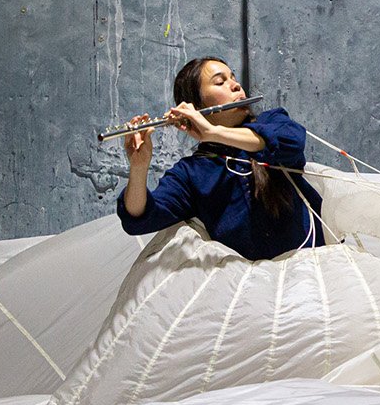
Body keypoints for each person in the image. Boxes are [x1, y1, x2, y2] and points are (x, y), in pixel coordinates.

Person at [116, 57, 324, 260]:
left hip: (310, 266)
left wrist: (213, 132)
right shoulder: (192, 172)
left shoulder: (272, 121)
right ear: (196, 107)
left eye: (233, 78)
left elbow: (291, 141)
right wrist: (138, 167)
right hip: (248, 283)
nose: (235, 86)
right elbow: (139, 218)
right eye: (220, 82)